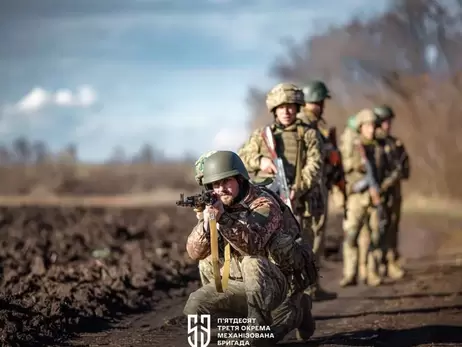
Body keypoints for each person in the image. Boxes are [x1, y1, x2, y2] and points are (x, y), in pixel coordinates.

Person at [183, 150, 318, 346]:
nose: (221, 189)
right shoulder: (218, 205)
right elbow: (193, 253)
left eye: (226, 182)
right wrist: (206, 224)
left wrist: (224, 220)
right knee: (196, 303)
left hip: (278, 284)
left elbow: (253, 245)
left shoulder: (264, 203)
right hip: (242, 283)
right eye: (215, 184)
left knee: (252, 264)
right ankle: (235, 328)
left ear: (239, 179)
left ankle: (295, 311)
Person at [238, 82, 336, 301]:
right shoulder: (262, 136)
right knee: (274, 254)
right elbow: (241, 158)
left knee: (306, 252)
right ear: (274, 110)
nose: (286, 111)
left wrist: (296, 190)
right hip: (273, 207)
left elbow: (314, 167)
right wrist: (260, 160)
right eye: (281, 107)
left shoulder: (309, 135)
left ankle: (304, 300)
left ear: (298, 107)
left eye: (291, 106)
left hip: (302, 204)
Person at [339, 109, 394, 287]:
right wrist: (357, 166)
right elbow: (343, 167)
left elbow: (386, 170)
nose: (371, 129)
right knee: (351, 234)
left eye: (373, 125)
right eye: (367, 126)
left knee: (375, 235)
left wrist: (380, 187)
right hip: (356, 196)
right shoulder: (352, 145)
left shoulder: (378, 146)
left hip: (375, 196)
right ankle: (350, 273)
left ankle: (372, 272)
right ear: (360, 127)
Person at [374, 105, 410, 279]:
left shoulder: (396, 144)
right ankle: (377, 264)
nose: (387, 125)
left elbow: (405, 170)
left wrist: (393, 178)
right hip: (376, 193)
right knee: (377, 229)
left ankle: (391, 262)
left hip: (393, 193)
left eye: (389, 121)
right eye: (384, 121)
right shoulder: (372, 144)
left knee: (392, 228)